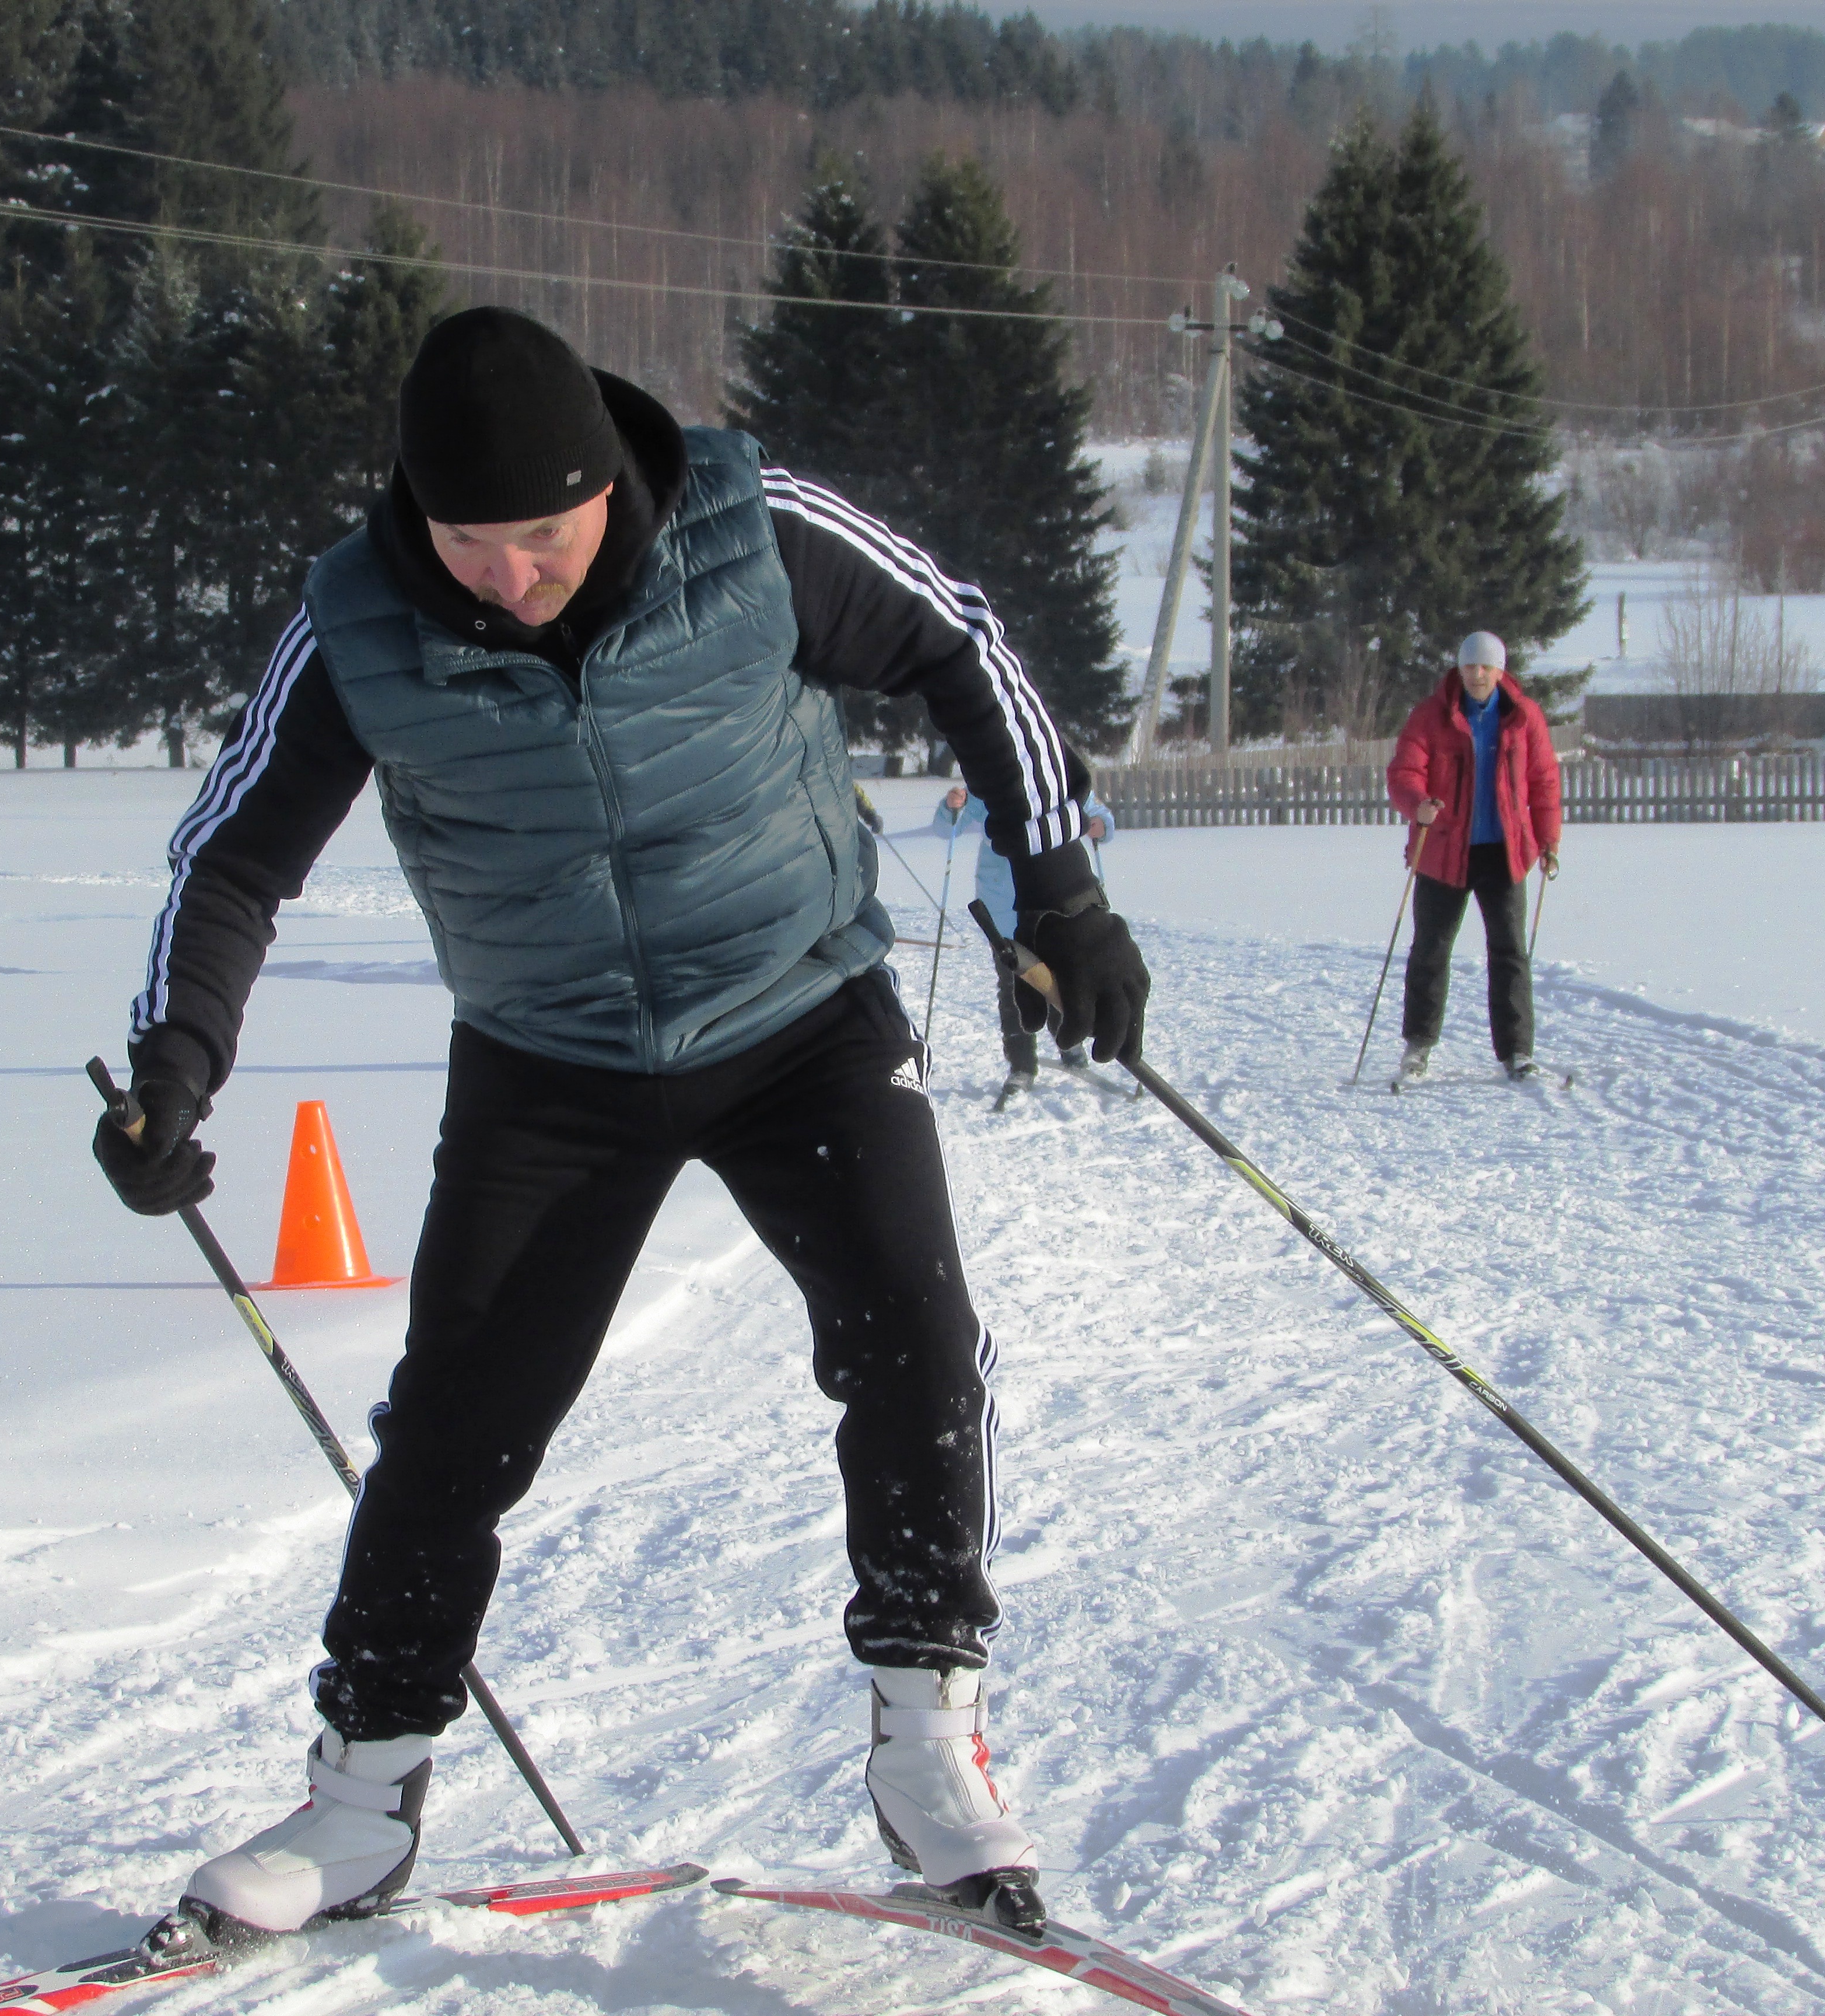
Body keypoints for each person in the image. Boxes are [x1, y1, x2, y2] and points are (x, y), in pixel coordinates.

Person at [92, 307, 1148, 1949]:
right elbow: (236, 854)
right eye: (466, 539)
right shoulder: (357, 616)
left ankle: (930, 1740)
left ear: (608, 486)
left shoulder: (755, 529)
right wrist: (178, 1062)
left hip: (801, 1012)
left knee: (916, 1337)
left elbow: (962, 638)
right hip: (553, 1058)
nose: (504, 575)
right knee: (457, 1422)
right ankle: (361, 1799)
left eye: (541, 537)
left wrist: (1062, 884)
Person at [1383, 631, 1561, 1082]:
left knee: (1510, 952)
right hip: (1444, 851)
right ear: (1459, 669)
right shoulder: (1431, 716)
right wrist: (1418, 804)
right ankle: (1418, 1047)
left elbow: (1543, 782)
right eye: (1470, 666)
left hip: (1506, 853)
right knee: (1431, 948)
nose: (1477, 675)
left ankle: (1517, 1053)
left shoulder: (1524, 717)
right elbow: (1404, 771)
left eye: (1486, 667)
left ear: (1501, 671)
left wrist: (1549, 841)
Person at [934, 783, 1113, 1090]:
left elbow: (1094, 812)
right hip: (1004, 907)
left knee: (1062, 979)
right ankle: (1021, 1065)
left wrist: (1100, 826)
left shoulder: (1060, 778)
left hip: (1055, 904)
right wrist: (952, 806)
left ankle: (1070, 1045)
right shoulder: (989, 780)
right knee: (1013, 988)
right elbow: (948, 826)